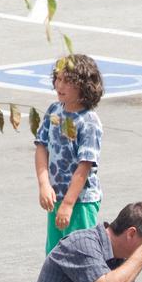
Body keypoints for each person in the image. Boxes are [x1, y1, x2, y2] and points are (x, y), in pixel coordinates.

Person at [35, 54, 105, 253]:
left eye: (67, 81)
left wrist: (68, 204)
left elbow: (84, 167)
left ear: (84, 86)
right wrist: (44, 184)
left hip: (80, 202)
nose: (59, 85)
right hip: (56, 198)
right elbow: (41, 146)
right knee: (55, 253)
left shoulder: (88, 121)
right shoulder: (55, 111)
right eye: (58, 79)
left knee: (80, 253)